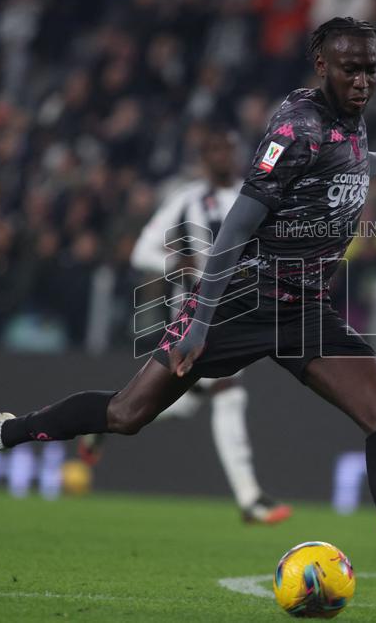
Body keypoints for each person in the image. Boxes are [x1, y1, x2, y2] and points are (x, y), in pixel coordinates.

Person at [0, 17, 376, 612]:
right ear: (321, 65)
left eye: (370, 69)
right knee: (126, 415)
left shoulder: (349, 124)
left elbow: (346, 163)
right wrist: (202, 320)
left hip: (304, 309)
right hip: (240, 301)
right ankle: (3, 432)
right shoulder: (297, 127)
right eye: (349, 68)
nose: (362, 80)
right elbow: (236, 223)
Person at [78, 128, 292, 524]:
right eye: (213, 149)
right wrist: (179, 264)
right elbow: (142, 250)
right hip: (198, 313)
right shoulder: (186, 200)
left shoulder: (257, 195)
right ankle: (250, 499)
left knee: (185, 400)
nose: (221, 155)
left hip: (244, 309)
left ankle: (106, 419)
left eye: (226, 147)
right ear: (202, 158)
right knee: (228, 391)